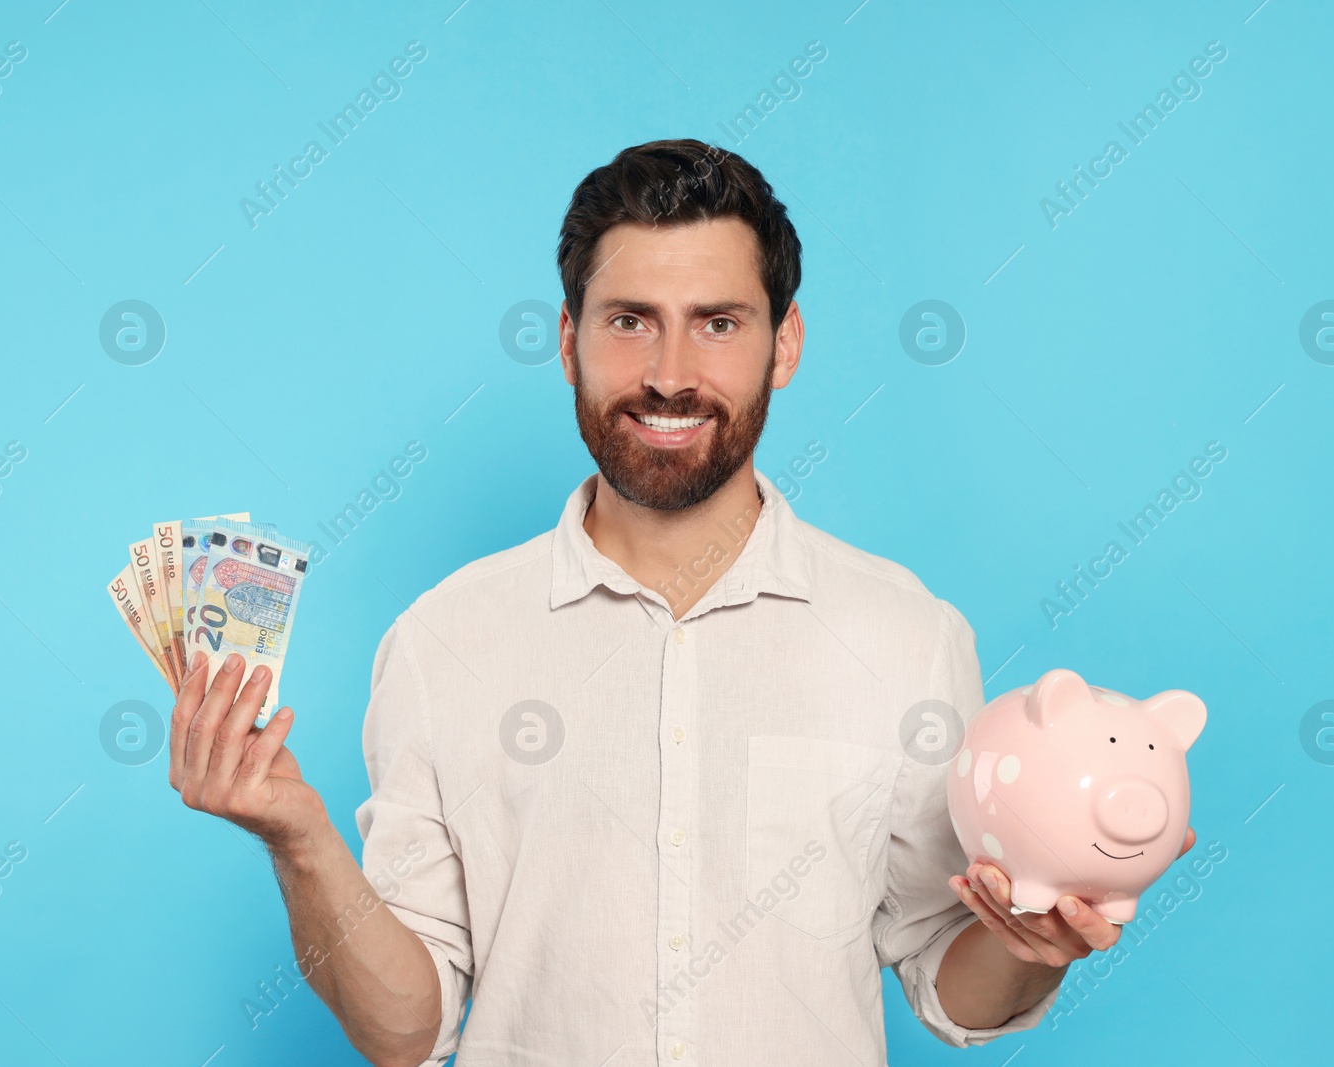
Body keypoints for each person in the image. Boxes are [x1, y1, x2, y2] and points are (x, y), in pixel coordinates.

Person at [168, 137, 1193, 1066]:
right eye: (629, 322)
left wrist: (1034, 946)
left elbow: (947, 982)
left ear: (783, 345)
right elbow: (406, 1026)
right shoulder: (444, 640)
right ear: (566, 340)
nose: (668, 375)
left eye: (716, 323)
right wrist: (297, 837)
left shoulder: (907, 636)